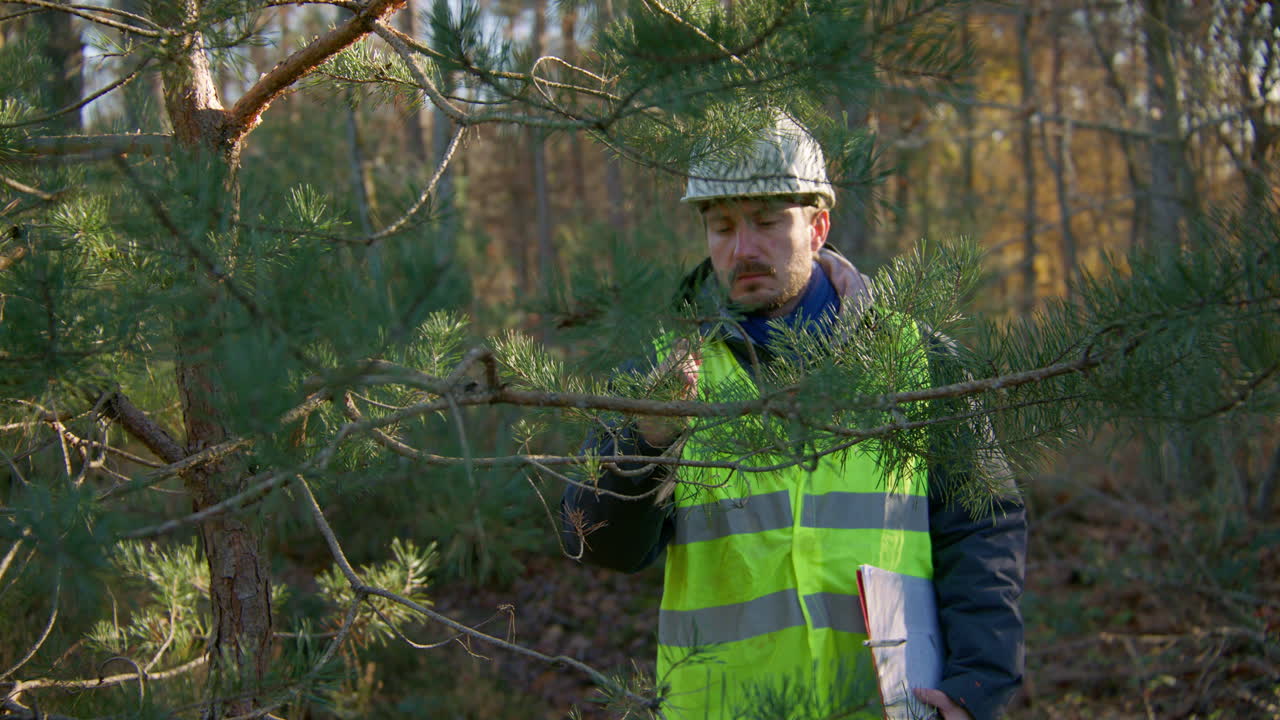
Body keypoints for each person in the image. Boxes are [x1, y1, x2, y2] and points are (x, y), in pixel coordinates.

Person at [561, 113, 1026, 720]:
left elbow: (984, 524)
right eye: (722, 226)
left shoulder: (919, 361)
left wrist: (976, 689)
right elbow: (595, 545)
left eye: (766, 222)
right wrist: (648, 437)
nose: (743, 249)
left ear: (818, 226)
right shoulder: (661, 373)